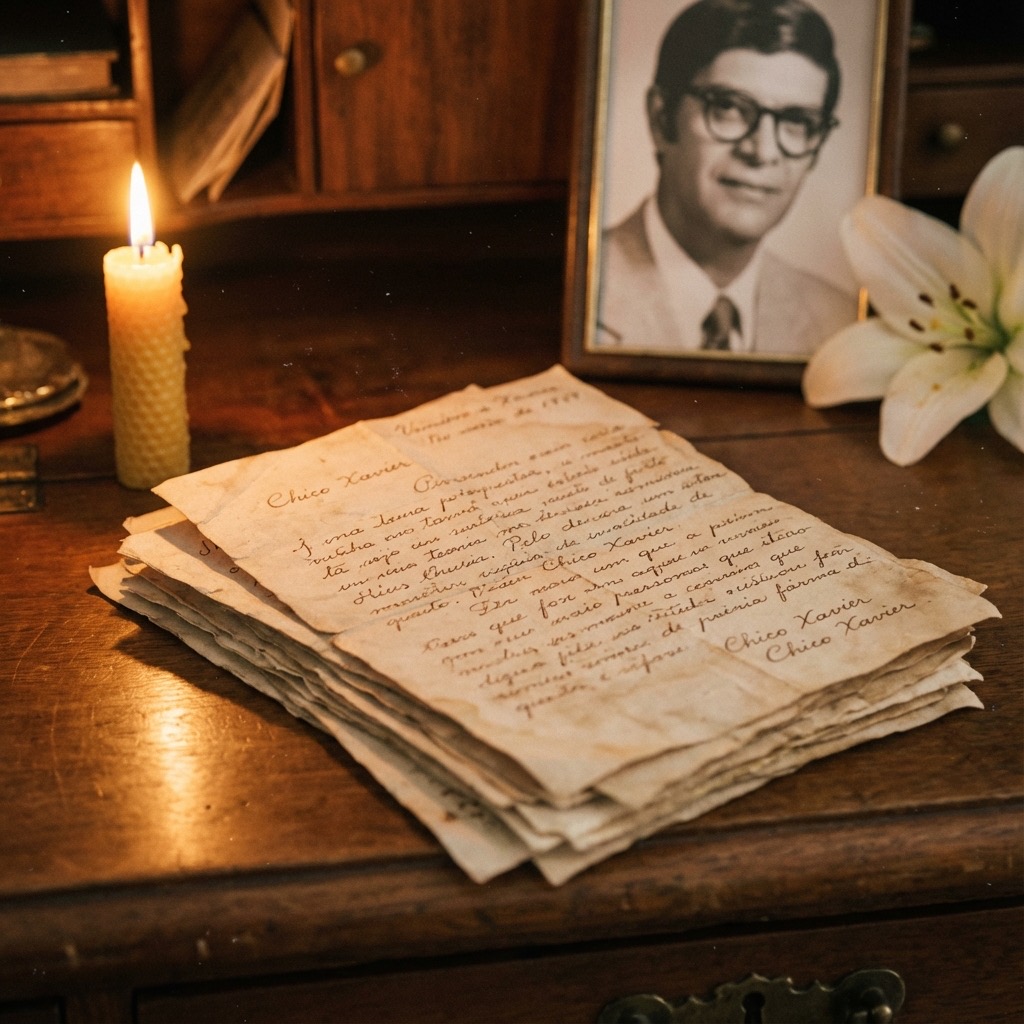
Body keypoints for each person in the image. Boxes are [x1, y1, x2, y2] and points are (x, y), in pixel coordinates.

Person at [596, 0, 855, 357]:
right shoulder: (585, 297)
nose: (762, 152)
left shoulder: (839, 323)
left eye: (797, 121)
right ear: (660, 119)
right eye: (729, 107)